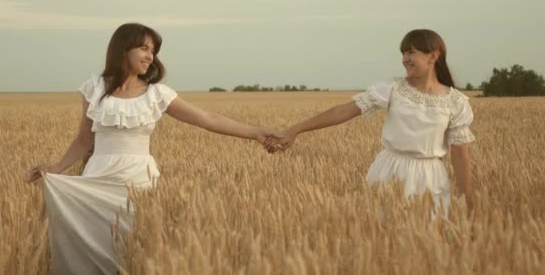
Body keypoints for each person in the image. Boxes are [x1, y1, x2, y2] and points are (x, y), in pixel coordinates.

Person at [26, 22, 275, 274]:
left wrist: (256, 133)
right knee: (94, 244)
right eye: (144, 48)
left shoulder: (157, 94)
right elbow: (83, 140)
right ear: (123, 49)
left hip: (139, 180)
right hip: (97, 177)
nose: (150, 56)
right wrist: (55, 169)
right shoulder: (94, 89)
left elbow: (208, 119)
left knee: (134, 247)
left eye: (153, 51)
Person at [265, 29, 476, 217]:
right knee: (380, 237)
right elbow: (342, 111)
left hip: (431, 179)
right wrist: (294, 130)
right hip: (390, 172)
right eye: (403, 53)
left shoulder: (456, 102)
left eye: (411, 52)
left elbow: (460, 155)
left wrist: (468, 201)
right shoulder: (393, 90)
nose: (405, 59)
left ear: (434, 56)